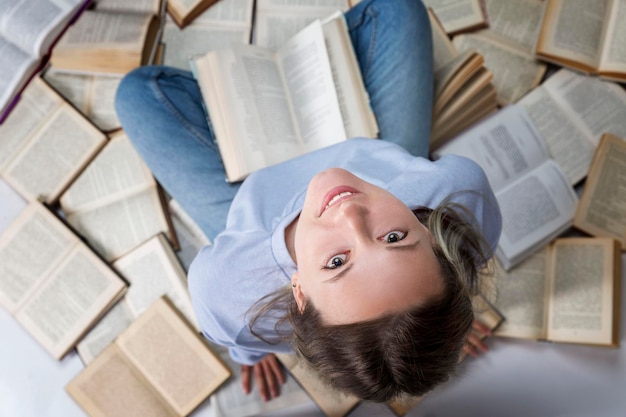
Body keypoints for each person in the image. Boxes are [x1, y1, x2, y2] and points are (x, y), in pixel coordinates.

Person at [115, 0, 502, 404]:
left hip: (250, 202)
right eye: (394, 237)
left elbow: (233, 327)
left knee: (136, 93)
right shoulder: (455, 193)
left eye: (337, 263)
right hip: (370, 152)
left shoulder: (229, 289)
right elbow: (469, 252)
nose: (350, 215)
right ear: (433, 238)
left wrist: (252, 349)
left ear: (298, 293)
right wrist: (443, 312)